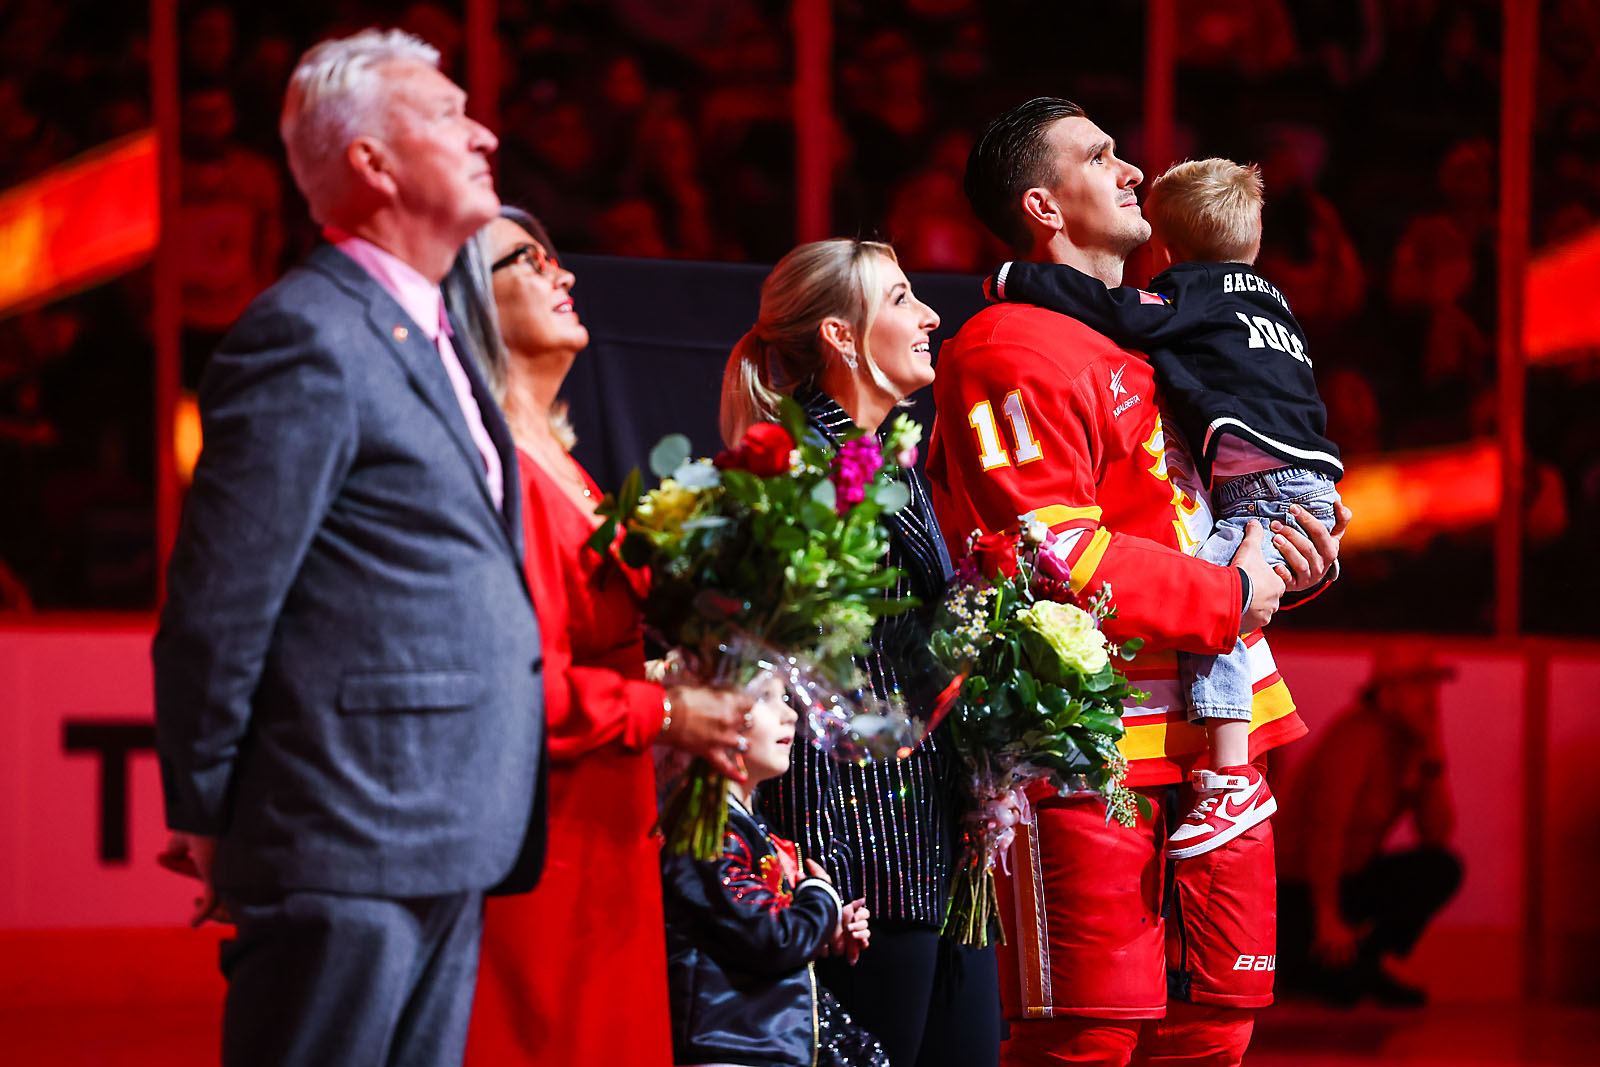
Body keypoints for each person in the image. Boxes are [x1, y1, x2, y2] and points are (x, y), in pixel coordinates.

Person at [926, 97, 1345, 1067]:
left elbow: (1215, 511)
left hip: (1222, 728)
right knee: (1091, 1038)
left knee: (1216, 1025)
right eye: (1100, 156)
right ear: (1041, 203)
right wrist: (1233, 595)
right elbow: (1050, 546)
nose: (1131, 171)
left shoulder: (1163, 335)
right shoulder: (1006, 343)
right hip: (1087, 738)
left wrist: (1291, 554)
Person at [152, 29, 543, 1067]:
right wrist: (208, 807)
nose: (483, 131)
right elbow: (219, 603)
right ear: (370, 161)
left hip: (444, 824)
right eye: (449, 114)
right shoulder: (308, 334)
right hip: (342, 830)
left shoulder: (429, 330)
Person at [442, 207, 754, 1066]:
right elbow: (519, 693)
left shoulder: (560, 459)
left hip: (606, 835)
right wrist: (668, 710)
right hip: (545, 844)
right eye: (528, 261)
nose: (563, 273)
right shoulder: (494, 465)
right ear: (469, 298)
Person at [985, 157, 1344, 861]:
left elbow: (1118, 311)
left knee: (1218, 596)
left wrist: (1012, 279)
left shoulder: (1193, 297)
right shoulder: (1272, 303)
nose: (1125, 169)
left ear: (1168, 252)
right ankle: (1231, 769)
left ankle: (1231, 776)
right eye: (1097, 156)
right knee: (1221, 593)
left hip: (1264, 498)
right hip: (1308, 484)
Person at [722, 238, 1003, 1067]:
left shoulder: (893, 462)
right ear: (842, 337)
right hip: (862, 869)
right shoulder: (814, 465)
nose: (930, 316)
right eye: (902, 299)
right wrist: (822, 878)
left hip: (932, 853)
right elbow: (805, 686)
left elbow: (906, 659)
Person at [661, 674, 886, 1067]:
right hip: (732, 1051)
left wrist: (826, 928)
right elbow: (773, 938)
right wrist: (822, 898)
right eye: (766, 697)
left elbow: (751, 928)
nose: (789, 714)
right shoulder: (707, 830)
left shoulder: (746, 828)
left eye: (785, 698)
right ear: (711, 715)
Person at [1277, 645, 1463, 1007]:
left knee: (1442, 869)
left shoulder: (1410, 744)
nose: (1429, 698)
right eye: (1418, 685)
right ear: (1387, 691)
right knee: (1338, 992)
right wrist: (1327, 916)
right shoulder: (1357, 735)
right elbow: (1324, 829)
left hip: (1353, 877)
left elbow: (1436, 836)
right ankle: (1324, 966)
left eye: (1433, 686)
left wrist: (1432, 754)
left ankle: (1367, 961)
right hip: (1299, 888)